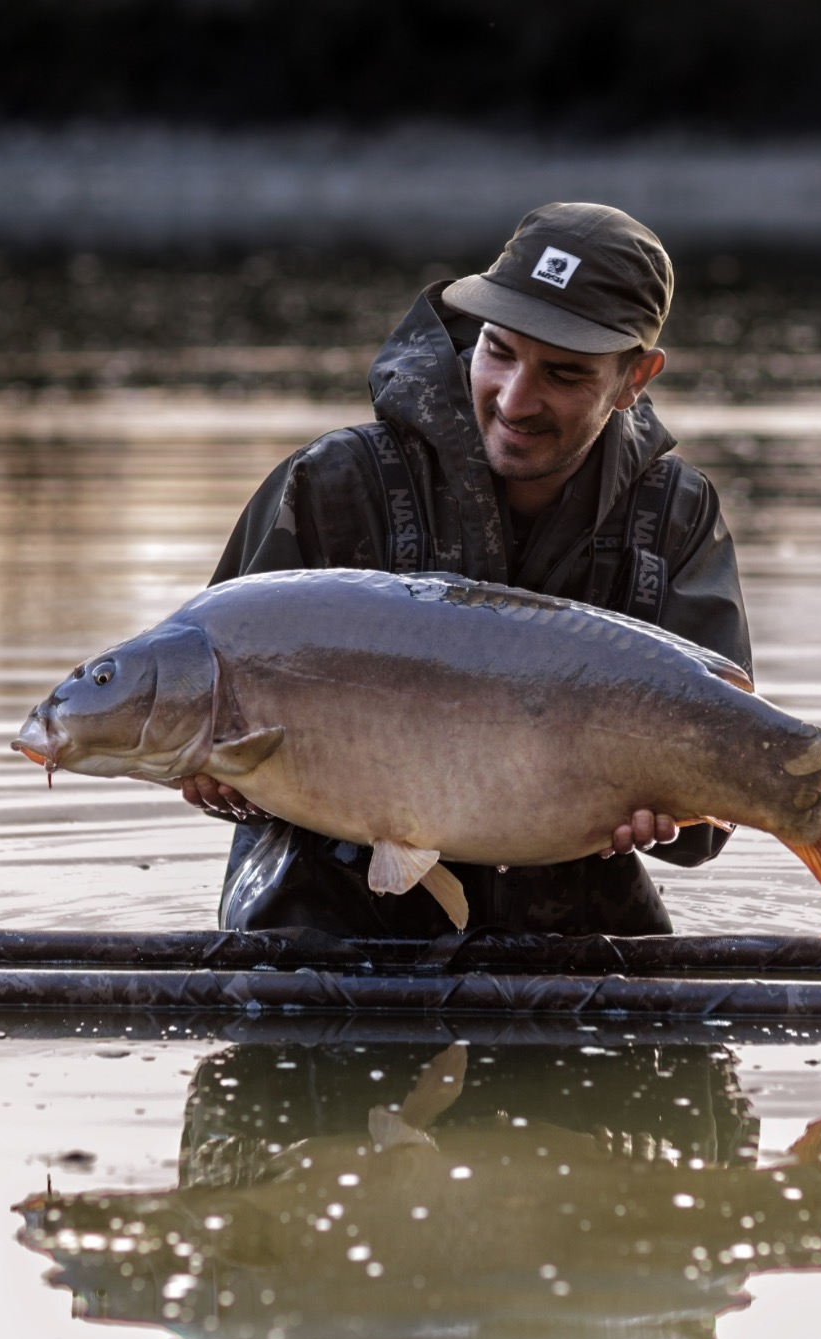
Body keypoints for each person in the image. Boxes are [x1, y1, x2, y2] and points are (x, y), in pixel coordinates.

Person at [181, 202, 752, 937]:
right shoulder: (330, 483)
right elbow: (198, 706)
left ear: (635, 377)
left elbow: (719, 809)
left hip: (568, 913)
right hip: (324, 908)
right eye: (500, 351)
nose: (516, 399)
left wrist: (672, 815)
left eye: (565, 373)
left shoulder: (678, 515)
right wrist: (214, 773)